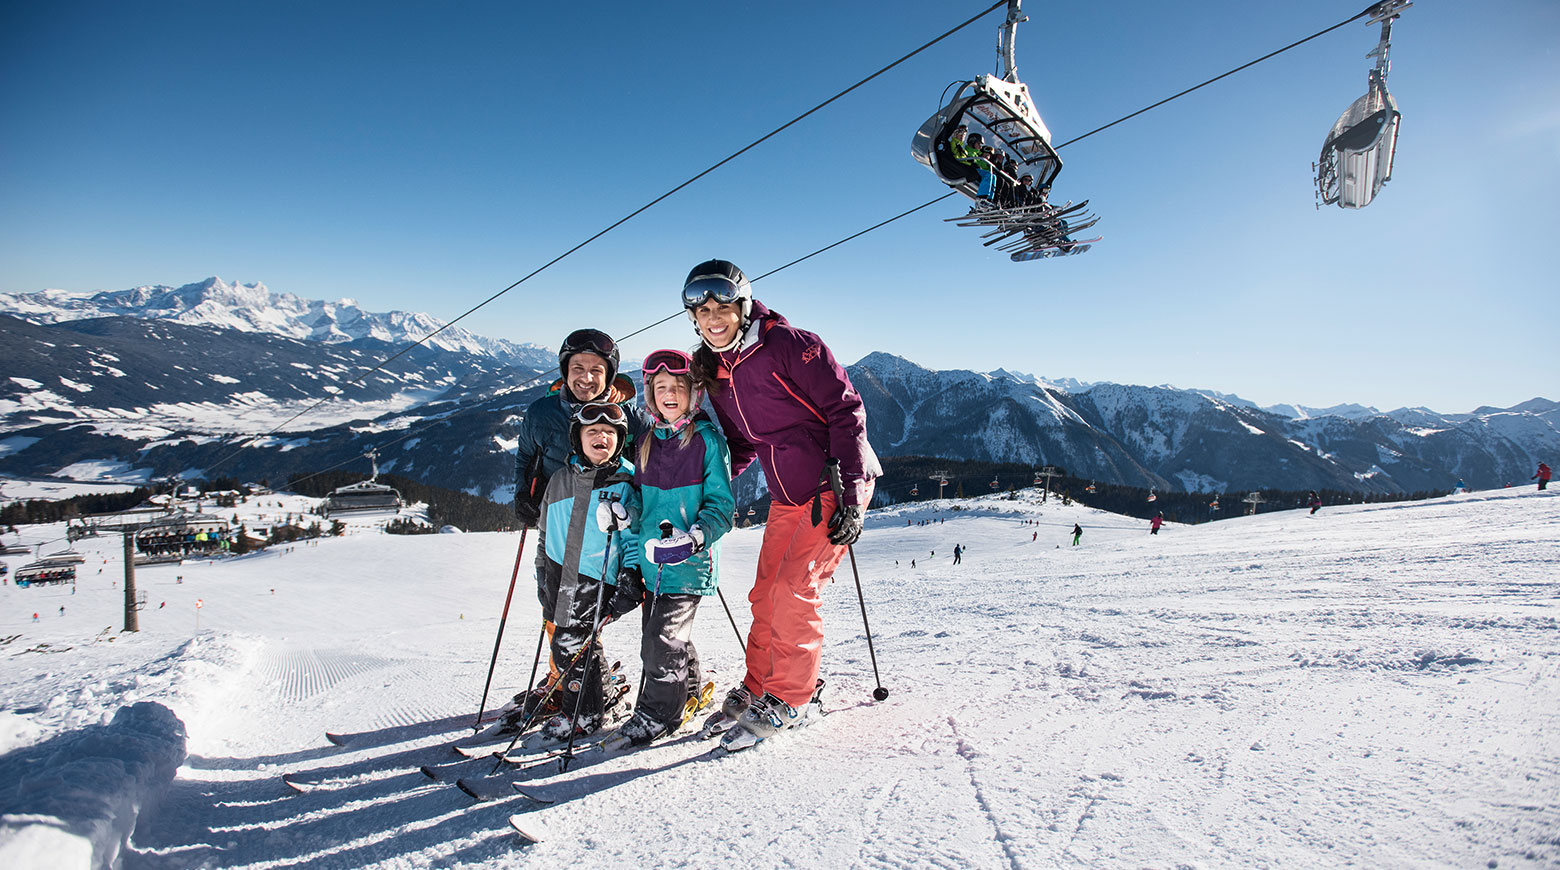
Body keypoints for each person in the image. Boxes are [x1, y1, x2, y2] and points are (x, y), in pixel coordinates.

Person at [682, 259, 881, 752]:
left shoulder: (791, 345)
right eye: (702, 309)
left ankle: (796, 696)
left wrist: (851, 495)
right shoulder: (718, 370)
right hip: (786, 495)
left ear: (743, 306)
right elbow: (742, 444)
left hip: (832, 482)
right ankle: (760, 686)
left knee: (795, 589)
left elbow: (846, 409)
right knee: (765, 591)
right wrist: (705, 489)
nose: (713, 317)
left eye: (722, 305)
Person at [607, 349, 736, 748]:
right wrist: (624, 511)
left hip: (688, 563)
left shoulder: (707, 442)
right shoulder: (646, 440)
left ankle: (659, 714)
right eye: (660, 387)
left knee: (661, 640)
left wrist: (696, 537)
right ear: (649, 394)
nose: (668, 394)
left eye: (677, 387)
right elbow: (640, 499)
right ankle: (691, 688)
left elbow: (722, 507)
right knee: (664, 635)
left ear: (692, 393)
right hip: (652, 565)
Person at [533, 402, 641, 741]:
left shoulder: (626, 481)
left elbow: (635, 532)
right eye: (592, 431)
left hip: (597, 577)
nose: (601, 437)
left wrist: (631, 575)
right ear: (577, 438)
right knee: (568, 643)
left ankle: (585, 712)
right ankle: (598, 694)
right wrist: (541, 571)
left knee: (572, 643)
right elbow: (544, 530)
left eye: (610, 433)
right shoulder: (560, 480)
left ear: (620, 440)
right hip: (558, 574)